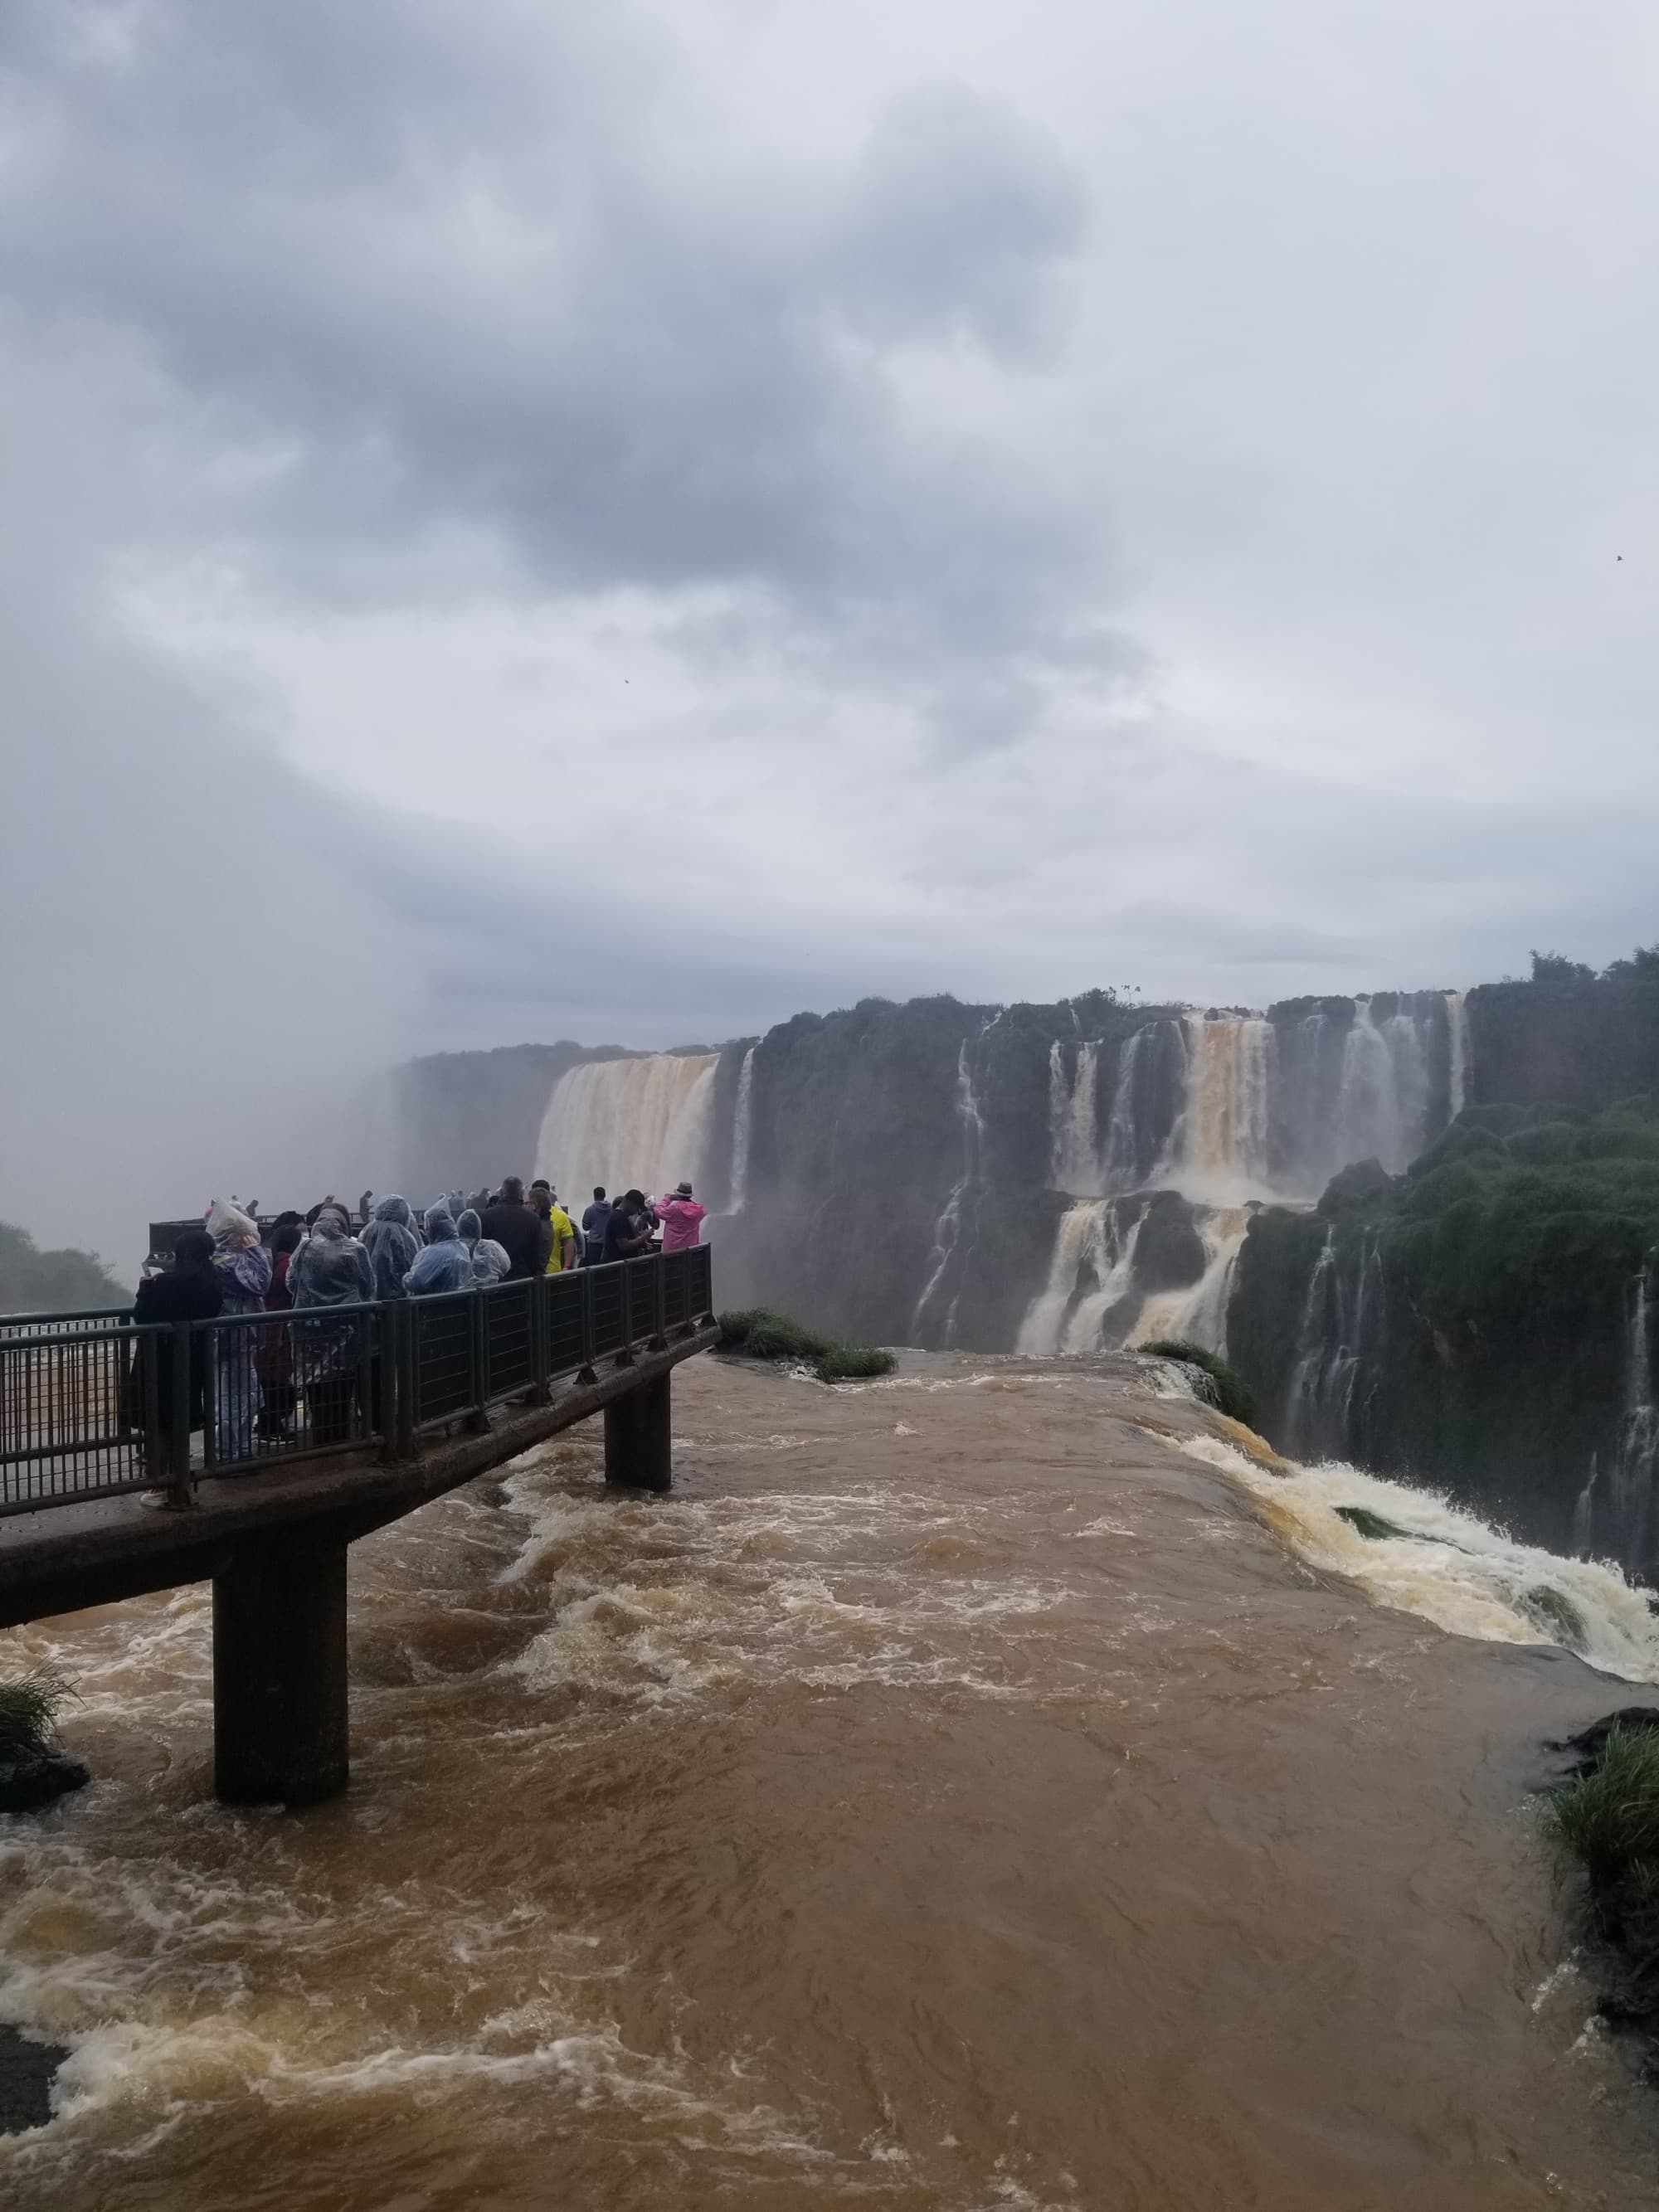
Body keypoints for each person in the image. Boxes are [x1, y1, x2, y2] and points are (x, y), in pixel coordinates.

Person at [129, 1228, 222, 1475]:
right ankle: (179, 1478)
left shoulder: (164, 1283)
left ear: (180, 1253)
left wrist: (144, 1289)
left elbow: (142, 1315)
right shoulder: (212, 1282)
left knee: (158, 1419)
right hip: (193, 1357)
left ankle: (159, 1482)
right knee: (181, 1416)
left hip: (159, 1357)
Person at [287, 1205, 376, 1443]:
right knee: (342, 1380)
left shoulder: (304, 1247)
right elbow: (368, 1285)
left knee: (313, 1380)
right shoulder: (356, 1250)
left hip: (309, 1326)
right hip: (346, 1326)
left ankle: (320, 1430)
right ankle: (339, 1432)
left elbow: (291, 1281)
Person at [206, 1199, 273, 1466]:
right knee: (233, 1400)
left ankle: (241, 1450)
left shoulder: (223, 1260)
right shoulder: (227, 1262)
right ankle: (230, 1456)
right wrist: (256, 1252)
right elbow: (260, 1284)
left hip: (239, 1339)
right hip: (234, 1338)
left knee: (245, 1397)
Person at [254, 1218, 304, 1441]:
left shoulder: (268, 1261)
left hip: (266, 1327)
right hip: (281, 1329)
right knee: (279, 1378)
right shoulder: (288, 1264)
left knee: (267, 1377)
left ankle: (267, 1423)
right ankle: (272, 1425)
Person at [480, 1176, 543, 1280]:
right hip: (522, 1281)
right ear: (521, 1194)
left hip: (493, 1281)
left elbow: (481, 1250)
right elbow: (536, 1255)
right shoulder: (533, 1218)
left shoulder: (486, 1216)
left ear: (501, 1192)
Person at [406, 1206, 477, 1296]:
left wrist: (406, 1277)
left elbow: (416, 1282)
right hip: (459, 1304)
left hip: (435, 1306)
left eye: (427, 1229)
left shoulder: (436, 1253)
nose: (426, 1233)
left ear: (434, 1229)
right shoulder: (462, 1248)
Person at [362, 1194, 420, 1301]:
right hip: (399, 1299)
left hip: (370, 1299)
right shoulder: (405, 1236)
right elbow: (414, 1263)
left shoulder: (368, 1230)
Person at [458, 1208, 511, 1286]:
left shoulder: (455, 1250)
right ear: (478, 1227)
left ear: (459, 1227)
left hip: (465, 1296)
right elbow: (506, 1267)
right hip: (492, 1295)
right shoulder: (491, 1247)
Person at [601, 1189, 655, 1263]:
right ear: (630, 1203)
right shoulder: (618, 1218)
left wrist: (640, 1237)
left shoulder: (621, 1217)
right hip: (616, 1267)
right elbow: (624, 1245)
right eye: (637, 1207)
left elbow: (625, 1238)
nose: (637, 1211)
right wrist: (643, 1237)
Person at [655, 1180, 708, 1253]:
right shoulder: (699, 1210)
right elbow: (703, 1211)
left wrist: (667, 1199)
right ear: (690, 1195)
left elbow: (658, 1211)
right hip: (690, 1252)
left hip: (671, 1251)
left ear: (678, 1195)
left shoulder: (674, 1209)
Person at [581, 1187, 611, 1265]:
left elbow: (585, 1227)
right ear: (604, 1195)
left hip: (594, 1244)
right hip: (608, 1243)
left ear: (594, 1196)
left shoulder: (589, 1210)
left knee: (594, 1268)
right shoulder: (612, 1209)